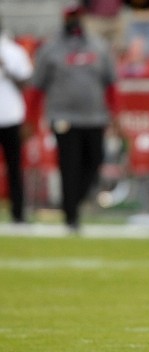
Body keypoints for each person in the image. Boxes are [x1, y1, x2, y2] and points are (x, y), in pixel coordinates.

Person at [26, 3, 120, 232]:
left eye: (77, 17)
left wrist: (115, 114)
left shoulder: (98, 46)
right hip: (63, 117)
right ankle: (71, 217)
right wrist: (30, 118)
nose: (74, 22)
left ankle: (72, 203)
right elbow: (36, 88)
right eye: (71, 17)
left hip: (95, 117)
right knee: (69, 166)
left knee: (95, 161)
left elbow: (111, 85)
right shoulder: (50, 49)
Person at [0, 16, 34, 224]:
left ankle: (18, 213)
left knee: (15, 168)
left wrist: (6, 68)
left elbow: (26, 83)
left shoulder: (14, 51)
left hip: (11, 116)